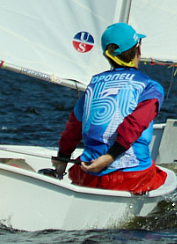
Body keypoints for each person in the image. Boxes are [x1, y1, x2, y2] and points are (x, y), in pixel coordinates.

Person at [54, 22, 168, 192]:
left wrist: (63, 159)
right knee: (161, 176)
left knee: (80, 163)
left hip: (90, 176)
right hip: (130, 177)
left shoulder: (93, 85)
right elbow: (134, 124)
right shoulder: (150, 87)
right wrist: (109, 157)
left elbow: (74, 126)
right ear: (138, 50)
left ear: (107, 55)